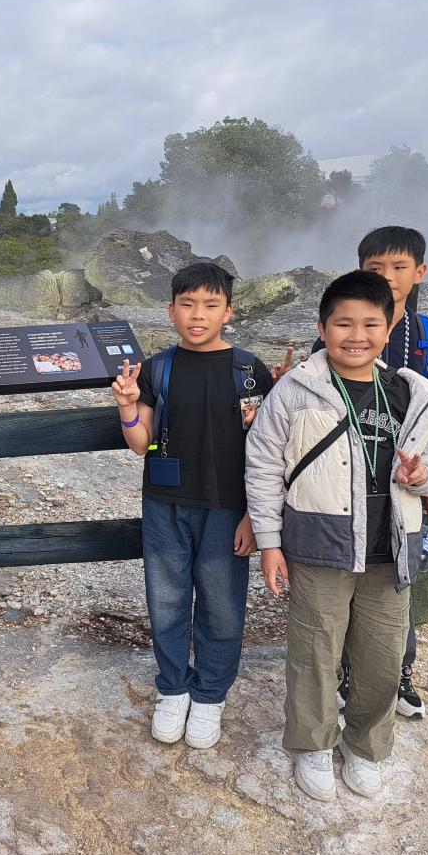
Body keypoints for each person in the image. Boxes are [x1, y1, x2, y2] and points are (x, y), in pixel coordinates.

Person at [245, 271, 428, 802]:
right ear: (322, 328)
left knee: (383, 656)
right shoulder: (295, 390)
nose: (356, 335)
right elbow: (264, 465)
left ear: (388, 329)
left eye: (370, 324)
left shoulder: (412, 394)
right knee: (315, 652)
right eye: (343, 323)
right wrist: (269, 542)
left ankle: (365, 746)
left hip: (391, 549)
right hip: (320, 545)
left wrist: (424, 476)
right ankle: (312, 745)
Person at [291, 227, 428, 719]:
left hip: (405, 487)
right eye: (375, 268)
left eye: (398, 267)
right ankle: (346, 672)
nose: (387, 276)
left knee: (400, 578)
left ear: (419, 272)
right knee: (344, 581)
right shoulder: (338, 331)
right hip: (343, 489)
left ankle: (398, 670)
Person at [111, 261, 273, 751]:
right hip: (165, 503)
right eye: (187, 305)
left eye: (210, 305)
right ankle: (173, 687)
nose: (197, 315)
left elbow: (267, 449)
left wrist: (254, 516)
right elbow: (140, 444)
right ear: (171, 310)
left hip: (228, 506)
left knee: (222, 605)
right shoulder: (158, 368)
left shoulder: (249, 371)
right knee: (167, 600)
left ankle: (210, 694)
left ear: (229, 311)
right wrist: (127, 405)